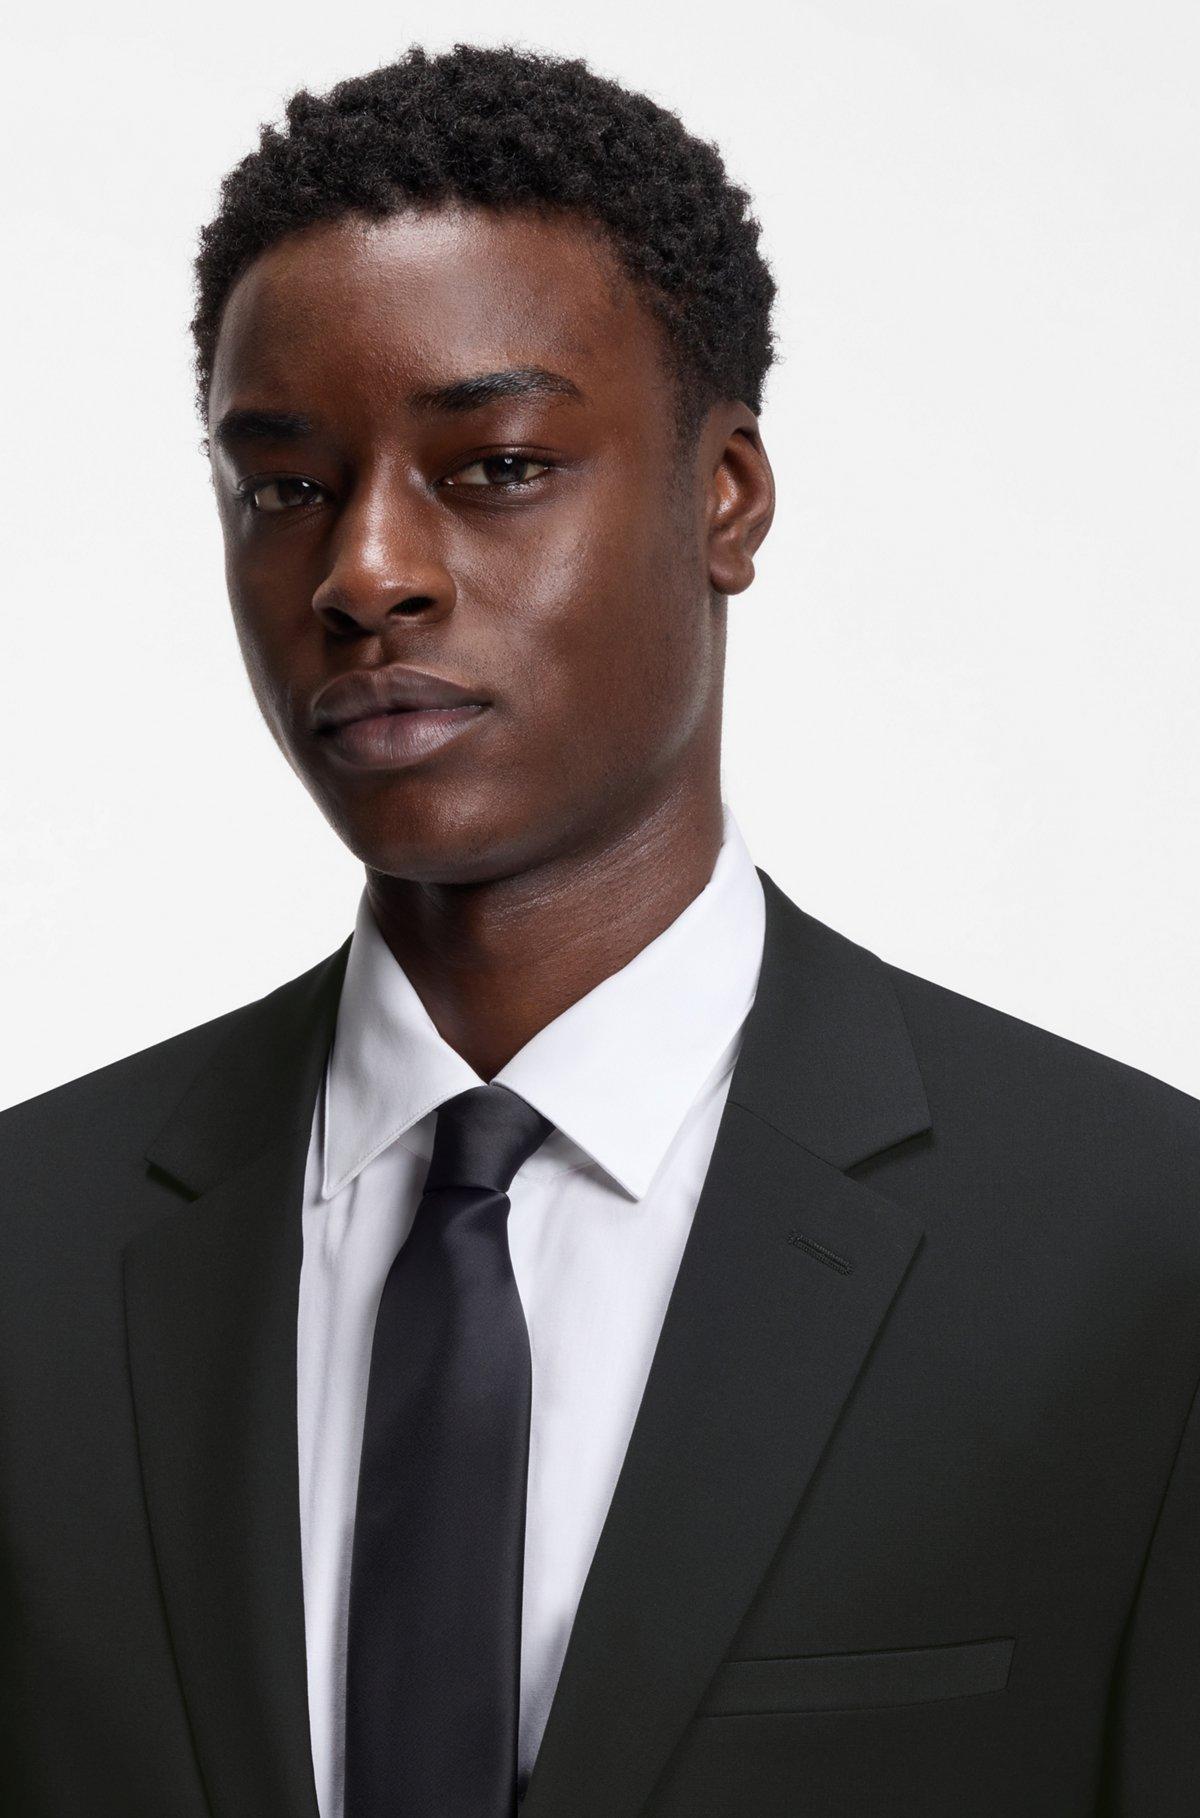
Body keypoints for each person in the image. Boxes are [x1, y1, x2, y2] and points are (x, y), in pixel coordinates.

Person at [1, 40, 1197, 1818]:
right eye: (285, 487)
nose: (365, 571)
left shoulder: (1136, 1255)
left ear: (728, 496)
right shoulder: (28, 1256)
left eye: (492, 465)